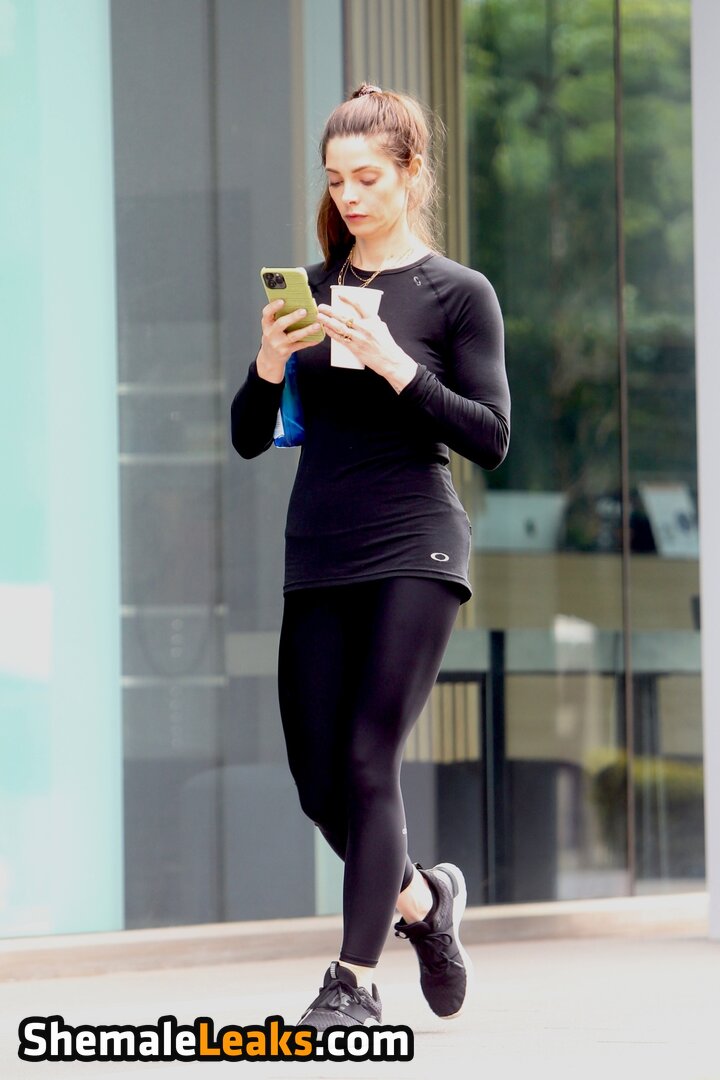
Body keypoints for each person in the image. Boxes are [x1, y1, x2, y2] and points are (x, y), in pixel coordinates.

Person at [231, 83, 510, 1029]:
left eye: (366, 177)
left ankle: (352, 982)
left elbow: (490, 437)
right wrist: (270, 362)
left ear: (410, 173)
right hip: (319, 548)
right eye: (335, 180)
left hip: (415, 543)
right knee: (320, 783)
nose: (348, 195)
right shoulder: (312, 291)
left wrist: (395, 362)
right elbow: (247, 436)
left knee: (366, 760)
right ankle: (425, 903)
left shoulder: (457, 294)